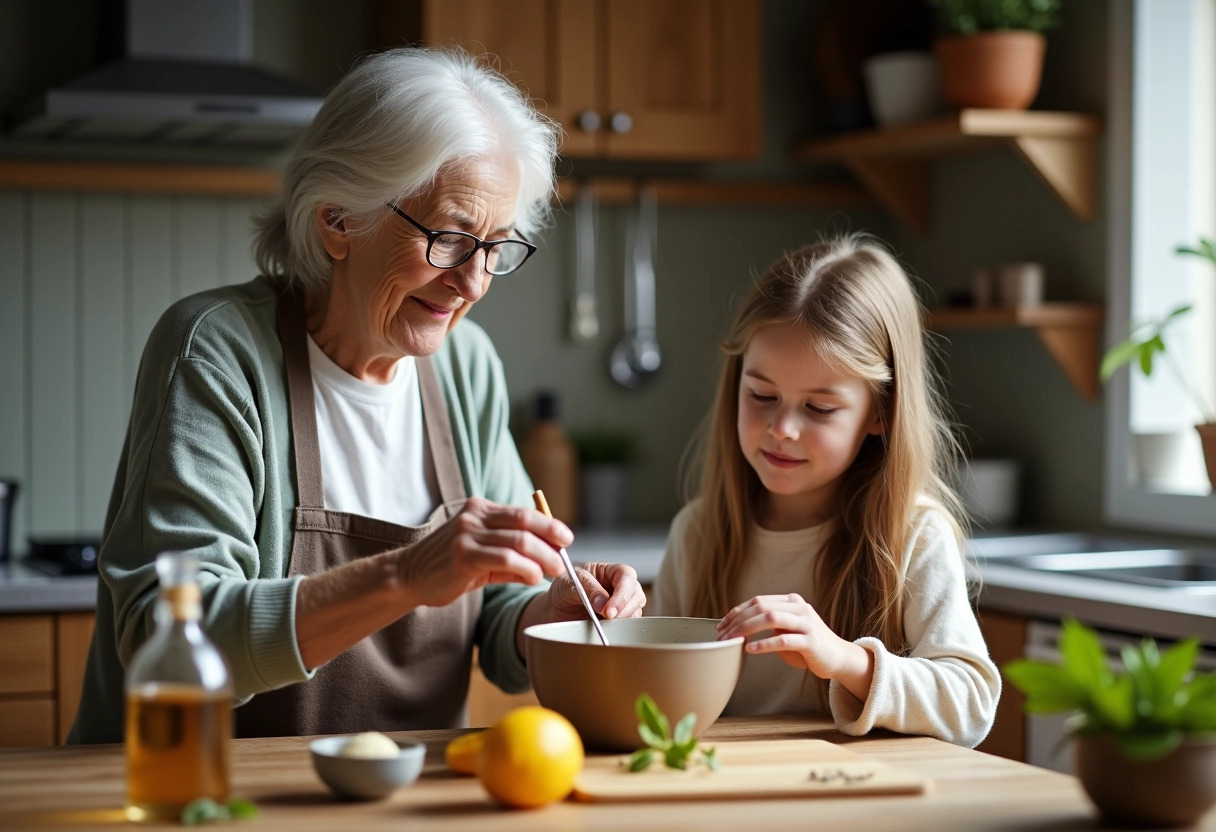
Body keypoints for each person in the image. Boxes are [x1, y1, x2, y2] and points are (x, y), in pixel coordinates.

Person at [70, 47, 645, 743]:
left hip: (403, 802)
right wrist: (406, 575)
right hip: (201, 794)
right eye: (451, 239)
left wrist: (550, 610)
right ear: (337, 220)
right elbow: (169, 637)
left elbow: (498, 617)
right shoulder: (216, 352)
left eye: (496, 247)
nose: (474, 283)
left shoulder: (466, 367)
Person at [649, 235, 1000, 748]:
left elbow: (970, 703)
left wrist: (844, 660)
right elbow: (659, 702)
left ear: (880, 413)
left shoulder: (913, 537)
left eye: (819, 408)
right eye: (762, 395)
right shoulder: (699, 533)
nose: (783, 428)